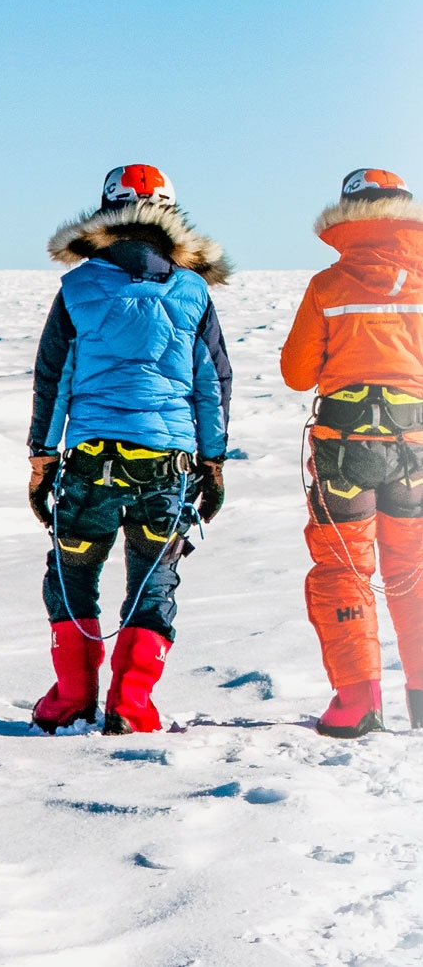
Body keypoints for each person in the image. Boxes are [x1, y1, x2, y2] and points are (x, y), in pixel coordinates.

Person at [27, 164, 232, 735]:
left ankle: (71, 699)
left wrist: (42, 459)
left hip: (90, 460)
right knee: (155, 578)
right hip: (168, 466)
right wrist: (212, 463)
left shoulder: (77, 287)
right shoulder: (193, 290)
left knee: (71, 571)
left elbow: (53, 378)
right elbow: (212, 384)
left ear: (105, 214)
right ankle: (131, 704)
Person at [280, 169, 423, 737]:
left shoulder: (328, 285)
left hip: (344, 449)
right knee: (413, 568)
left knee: (344, 568)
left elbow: (296, 374)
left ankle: (357, 702)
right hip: (415, 446)